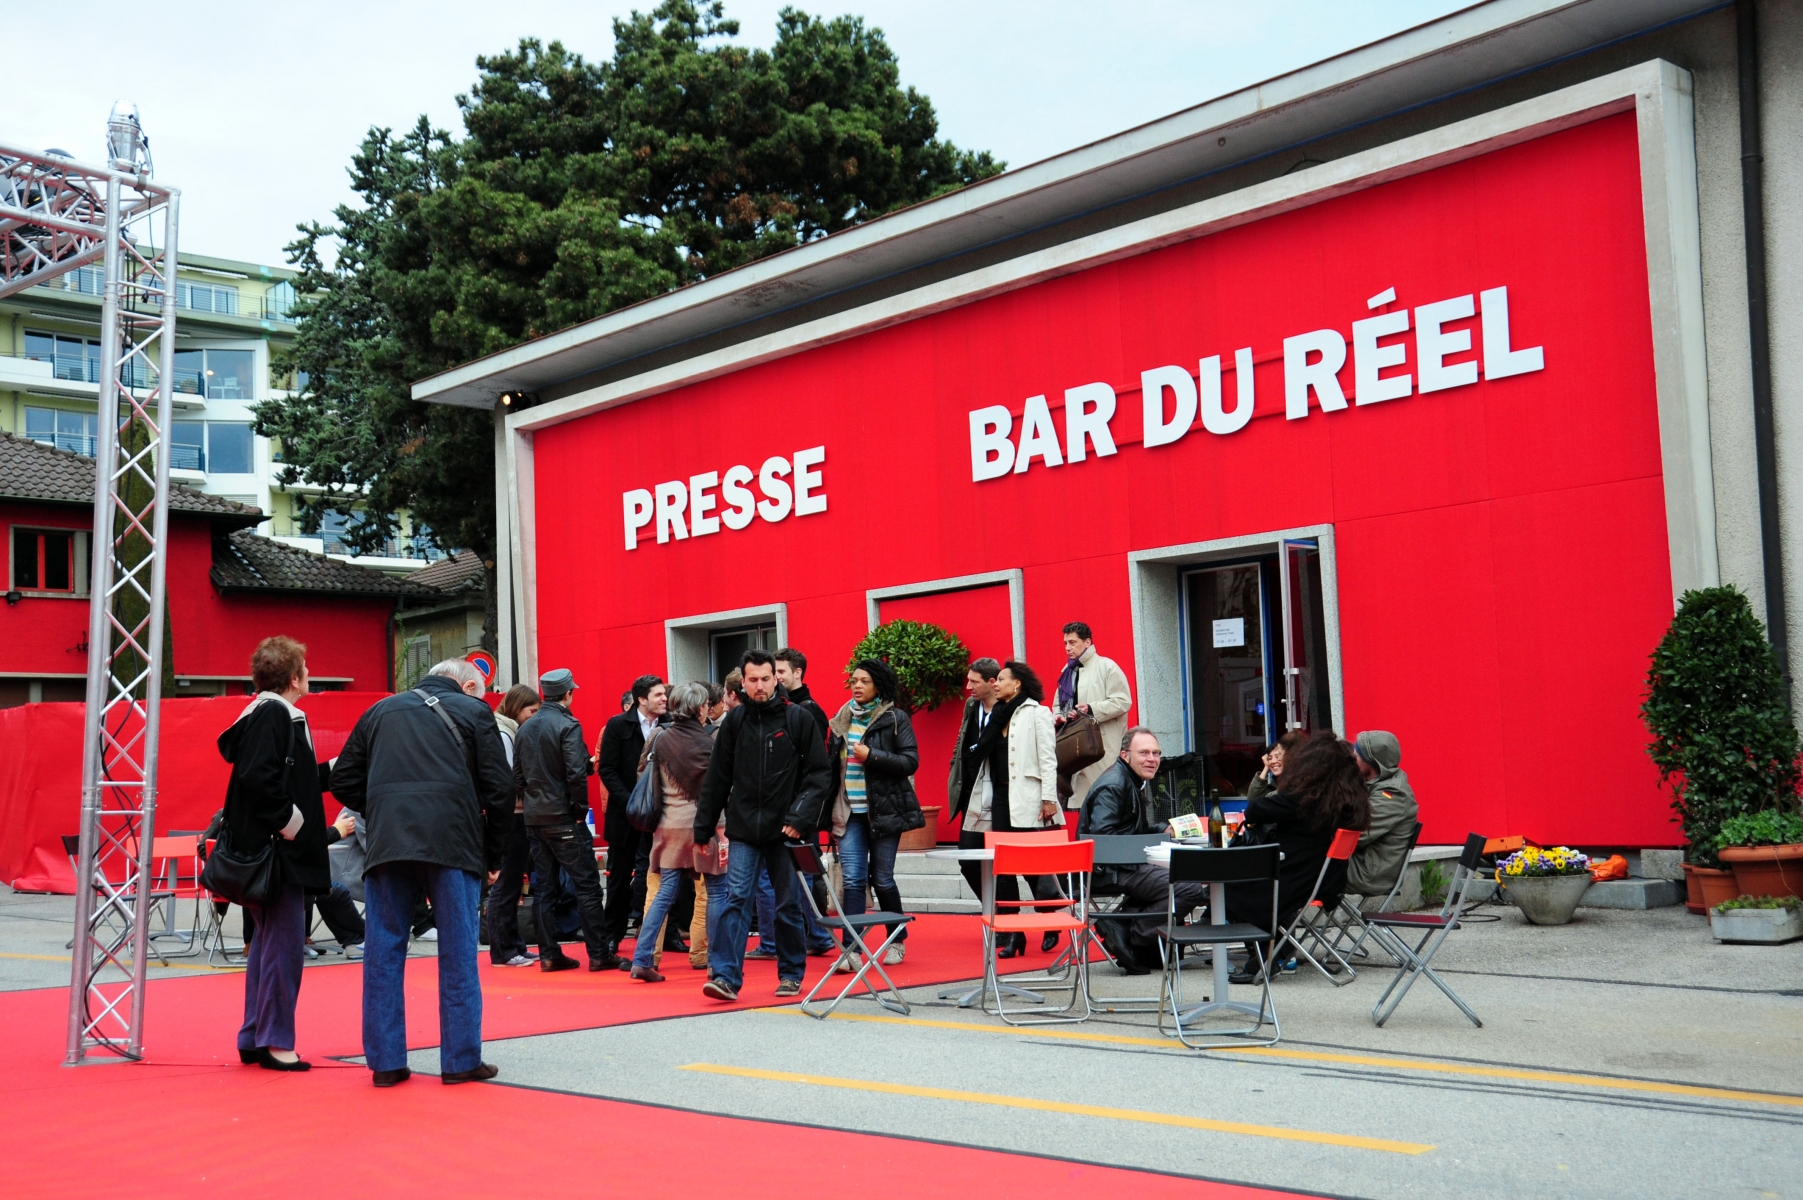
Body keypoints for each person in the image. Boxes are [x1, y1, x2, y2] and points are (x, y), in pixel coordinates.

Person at [331, 658, 513, 1088]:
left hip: (389, 844)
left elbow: (342, 780)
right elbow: (501, 790)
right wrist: (496, 856)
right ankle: (460, 1059)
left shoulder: (380, 711)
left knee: (383, 953)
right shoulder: (474, 712)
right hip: (453, 842)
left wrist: (381, 807)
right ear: (468, 685)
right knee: (457, 953)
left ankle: (386, 1062)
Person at [218, 635, 332, 1071]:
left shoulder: (263, 713)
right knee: (283, 949)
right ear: (293, 677)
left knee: (267, 945)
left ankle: (255, 1035)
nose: (309, 674)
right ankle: (275, 1040)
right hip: (280, 853)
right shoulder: (275, 714)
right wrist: (293, 825)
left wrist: (337, 770)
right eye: (305, 667)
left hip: (266, 851)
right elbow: (261, 780)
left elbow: (281, 778)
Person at [692, 649, 832, 1002]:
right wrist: (703, 828)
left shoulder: (798, 719)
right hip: (743, 830)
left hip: (785, 830)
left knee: (787, 904)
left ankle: (790, 974)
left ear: (776, 679)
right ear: (743, 681)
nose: (759, 685)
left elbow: (819, 775)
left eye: (765, 679)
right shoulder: (735, 723)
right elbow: (717, 779)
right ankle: (725, 977)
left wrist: (800, 818)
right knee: (736, 900)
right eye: (752, 680)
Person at [1223, 731, 1371, 983]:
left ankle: (1262, 958)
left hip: (1295, 880)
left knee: (1228, 887)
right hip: (1324, 882)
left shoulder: (1306, 799)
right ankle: (1277, 949)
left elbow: (1255, 809)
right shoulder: (1346, 800)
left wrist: (1291, 783)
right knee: (1246, 885)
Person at [1078, 727, 1206, 973]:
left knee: (1190, 877)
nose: (1152, 759)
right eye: (1144, 753)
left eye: (1156, 753)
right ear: (1125, 755)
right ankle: (1132, 931)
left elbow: (1131, 830)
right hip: (1111, 869)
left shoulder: (1131, 780)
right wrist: (1153, 845)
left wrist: (1165, 830)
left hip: (1127, 863)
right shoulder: (1115, 784)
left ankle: (1125, 922)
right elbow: (1103, 839)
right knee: (1189, 887)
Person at [515, 669, 617, 972]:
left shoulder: (527, 727)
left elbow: (518, 776)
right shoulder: (567, 725)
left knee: (544, 888)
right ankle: (599, 953)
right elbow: (574, 772)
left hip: (535, 817)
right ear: (568, 693)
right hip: (563, 817)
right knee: (587, 886)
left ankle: (548, 953)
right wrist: (578, 808)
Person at [826, 658, 924, 971]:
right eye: (854, 680)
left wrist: (873, 756)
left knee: (882, 879)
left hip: (884, 811)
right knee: (853, 880)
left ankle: (896, 938)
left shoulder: (895, 718)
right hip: (848, 811)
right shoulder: (840, 720)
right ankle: (852, 950)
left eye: (864, 681)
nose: (857, 686)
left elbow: (910, 762)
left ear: (878, 686)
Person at [962, 660, 1063, 958]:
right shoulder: (995, 716)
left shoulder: (1037, 713)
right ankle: (1013, 932)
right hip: (1000, 799)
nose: (996, 683)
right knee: (1003, 867)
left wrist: (1048, 799)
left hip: (1030, 800)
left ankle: (1051, 920)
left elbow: (1048, 759)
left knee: (1032, 867)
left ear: (1016, 684)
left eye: (1001, 679)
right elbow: (979, 754)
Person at [629, 682, 727, 981]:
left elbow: (642, 777)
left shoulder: (659, 738)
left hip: (667, 827)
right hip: (704, 828)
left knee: (662, 894)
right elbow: (718, 793)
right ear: (701, 709)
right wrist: (722, 831)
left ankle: (642, 959)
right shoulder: (712, 744)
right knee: (716, 891)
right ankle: (715, 963)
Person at [597, 675, 667, 956]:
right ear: (641, 699)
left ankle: (666, 934)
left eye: (664, 694)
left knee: (662, 875)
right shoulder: (618, 725)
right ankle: (613, 935)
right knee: (619, 876)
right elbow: (607, 769)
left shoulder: (669, 723)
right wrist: (631, 802)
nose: (664, 698)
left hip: (660, 815)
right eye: (658, 695)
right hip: (624, 814)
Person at [486, 685, 542, 967]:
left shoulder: (505, 729)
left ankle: (514, 945)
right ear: (517, 708)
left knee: (510, 884)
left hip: (511, 814)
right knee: (507, 884)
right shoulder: (505, 733)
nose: (534, 717)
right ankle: (503, 950)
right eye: (531, 711)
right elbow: (507, 778)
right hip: (511, 815)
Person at [1054, 622, 1133, 811]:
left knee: (1104, 806)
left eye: (1072, 642)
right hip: (1075, 752)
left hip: (1101, 751)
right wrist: (1059, 717)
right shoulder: (1067, 671)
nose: (1067, 648)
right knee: (1080, 812)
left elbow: (1123, 702)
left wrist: (1091, 709)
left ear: (1087, 642)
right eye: (1065, 643)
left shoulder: (1107, 667)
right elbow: (1058, 705)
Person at [946, 657, 1003, 902]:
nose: (968, 686)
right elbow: (962, 737)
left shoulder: (1006, 707)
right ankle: (996, 912)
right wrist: (954, 766)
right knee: (968, 861)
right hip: (971, 793)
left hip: (1001, 793)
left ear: (992, 682)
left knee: (1008, 863)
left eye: (974, 681)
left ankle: (1043, 912)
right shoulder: (971, 705)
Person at [1344, 730, 1420, 904]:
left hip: (1369, 874)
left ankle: (1280, 924)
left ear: (1371, 762)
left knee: (1300, 863)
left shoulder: (1392, 795)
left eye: (1357, 754)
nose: (1352, 757)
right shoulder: (1377, 784)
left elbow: (1355, 833)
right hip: (1363, 862)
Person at [1247, 730, 1307, 803]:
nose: (1273, 761)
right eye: (1269, 758)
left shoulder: (1298, 782)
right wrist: (1266, 767)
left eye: (1278, 756)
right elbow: (1252, 799)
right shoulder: (1276, 783)